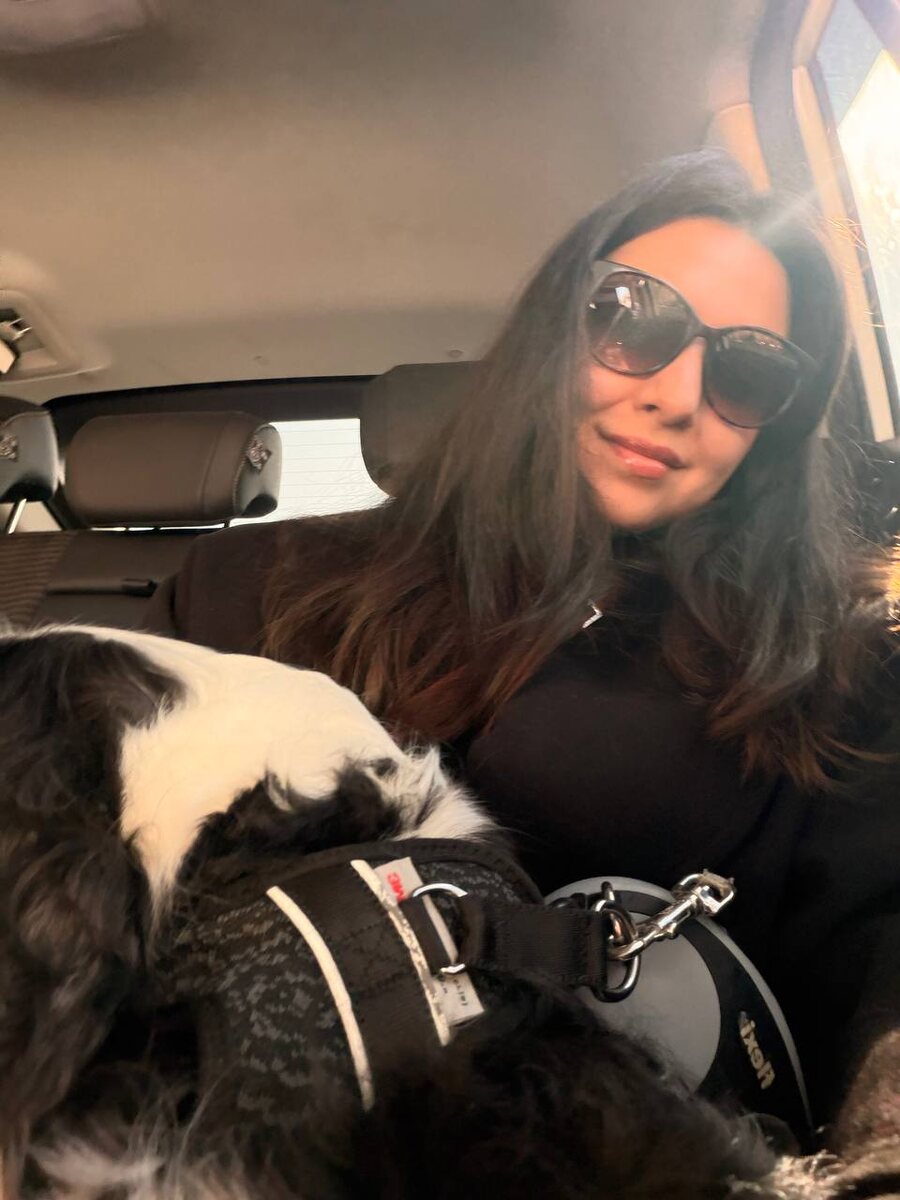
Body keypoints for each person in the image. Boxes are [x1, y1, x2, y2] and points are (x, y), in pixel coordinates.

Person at [145, 151, 899, 1179]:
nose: (680, 395)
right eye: (633, 318)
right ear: (553, 328)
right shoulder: (244, 587)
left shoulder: (835, 679)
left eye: (751, 370)